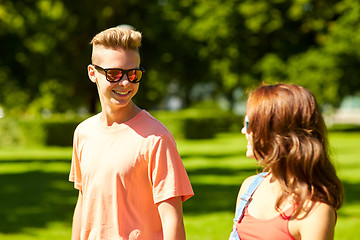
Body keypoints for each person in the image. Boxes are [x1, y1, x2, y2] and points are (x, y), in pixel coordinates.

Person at [69, 26, 194, 240]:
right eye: (114, 74)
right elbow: (84, 201)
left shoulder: (156, 138)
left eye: (133, 74)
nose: (125, 82)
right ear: (93, 73)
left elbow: (172, 219)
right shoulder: (83, 133)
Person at [229, 83, 343, 240]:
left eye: (249, 123)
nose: (244, 130)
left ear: (276, 132)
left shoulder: (313, 211)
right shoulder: (249, 189)